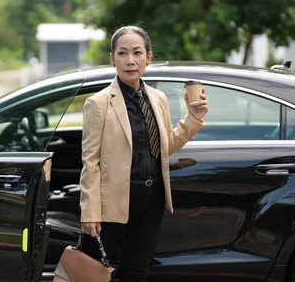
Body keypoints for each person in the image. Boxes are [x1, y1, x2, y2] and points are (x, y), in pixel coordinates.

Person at [79, 25, 208, 281]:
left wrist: (193, 119)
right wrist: (90, 212)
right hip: (112, 203)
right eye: (122, 53)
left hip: (151, 199)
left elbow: (164, 147)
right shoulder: (98, 103)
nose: (130, 60)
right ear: (112, 58)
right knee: (92, 272)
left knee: (136, 272)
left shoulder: (158, 98)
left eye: (137, 53)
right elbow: (90, 162)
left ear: (148, 57)